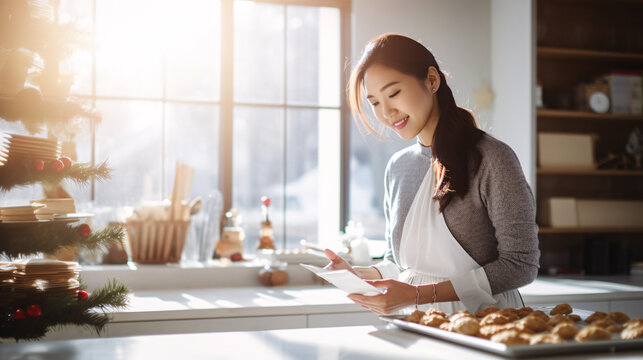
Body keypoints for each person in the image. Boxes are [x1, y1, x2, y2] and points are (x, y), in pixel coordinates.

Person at [324, 33, 540, 316]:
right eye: (375, 102)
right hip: (416, 320)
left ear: (432, 80)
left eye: (393, 93)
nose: (387, 112)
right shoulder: (398, 168)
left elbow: (521, 264)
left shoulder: (492, 158)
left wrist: (417, 295)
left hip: (486, 324)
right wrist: (359, 274)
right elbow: (400, 262)